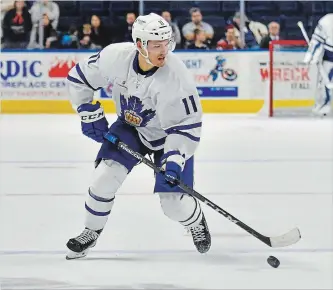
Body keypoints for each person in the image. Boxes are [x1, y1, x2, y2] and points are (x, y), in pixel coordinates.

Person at [65, 13, 211, 260]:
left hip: (169, 138)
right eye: (157, 45)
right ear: (140, 45)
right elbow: (79, 77)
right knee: (103, 178)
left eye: (167, 42)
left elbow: (187, 125)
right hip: (130, 128)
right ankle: (90, 232)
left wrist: (174, 159)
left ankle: (195, 220)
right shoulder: (115, 57)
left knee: (173, 204)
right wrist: (87, 111)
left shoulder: (177, 78)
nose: (164, 50)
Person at [303, 13, 333, 117]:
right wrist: (310, 55)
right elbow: (316, 40)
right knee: (324, 83)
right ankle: (323, 105)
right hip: (330, 58)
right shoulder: (327, 20)